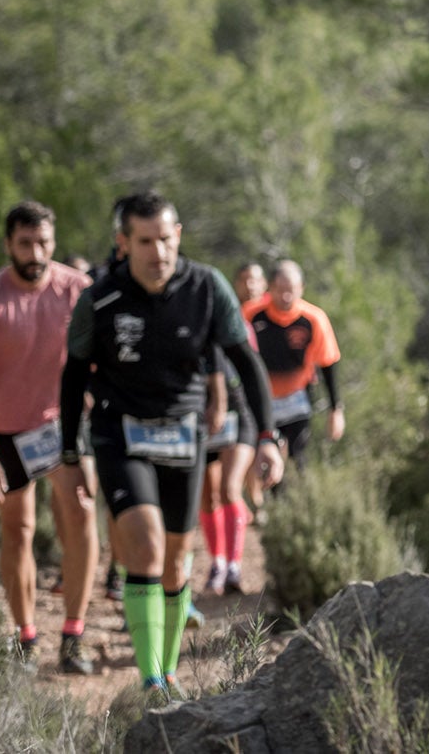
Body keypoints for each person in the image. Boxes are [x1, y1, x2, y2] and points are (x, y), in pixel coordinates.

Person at [61, 192, 283, 699]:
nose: (158, 251)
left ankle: (169, 670)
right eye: (144, 241)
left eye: (165, 238)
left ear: (178, 234)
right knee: (144, 542)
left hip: (185, 433)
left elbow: (246, 363)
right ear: (124, 242)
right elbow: (73, 378)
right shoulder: (100, 299)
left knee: (178, 557)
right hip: (120, 431)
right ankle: (151, 681)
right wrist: (71, 455)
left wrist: (266, 437)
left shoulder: (207, 287)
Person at [0, 202, 99, 674]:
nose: (36, 253)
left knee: (82, 517)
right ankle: (26, 638)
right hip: (5, 431)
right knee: (19, 530)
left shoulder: (77, 291)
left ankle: (73, 636)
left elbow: (103, 359)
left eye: (44, 243)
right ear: (8, 243)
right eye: (26, 243)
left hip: (64, 426)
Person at [198, 263, 264, 595]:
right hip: (201, 416)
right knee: (207, 496)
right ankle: (217, 561)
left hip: (240, 415)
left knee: (228, 489)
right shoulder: (189, 329)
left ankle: (234, 566)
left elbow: (253, 372)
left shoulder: (239, 327)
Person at [244, 261, 344, 474]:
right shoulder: (251, 314)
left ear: (302, 288)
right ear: (269, 288)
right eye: (280, 290)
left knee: (297, 456)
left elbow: (328, 363)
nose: (286, 297)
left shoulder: (313, 318)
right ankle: (270, 503)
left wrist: (336, 410)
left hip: (297, 397)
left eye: (291, 291)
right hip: (262, 400)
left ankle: (298, 501)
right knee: (265, 459)